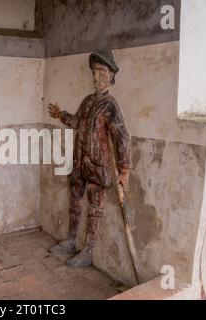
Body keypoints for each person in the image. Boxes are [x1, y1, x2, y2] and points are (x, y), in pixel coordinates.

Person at [48, 50, 131, 267]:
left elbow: (122, 136)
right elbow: (77, 122)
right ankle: (70, 240)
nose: (97, 78)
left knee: (95, 206)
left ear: (111, 76)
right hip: (79, 162)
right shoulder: (87, 101)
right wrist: (61, 115)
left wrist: (124, 169)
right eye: (94, 73)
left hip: (98, 165)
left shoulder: (110, 105)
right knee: (75, 200)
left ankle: (88, 251)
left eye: (102, 73)